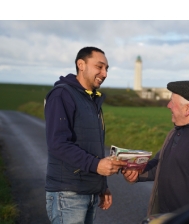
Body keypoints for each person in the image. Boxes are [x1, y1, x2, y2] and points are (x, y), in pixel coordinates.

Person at [122, 80, 189, 215]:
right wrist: (137, 173)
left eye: (172, 102)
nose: (168, 106)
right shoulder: (175, 132)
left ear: (187, 109)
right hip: (162, 217)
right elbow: (161, 165)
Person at [44, 46, 127, 224]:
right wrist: (97, 165)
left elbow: (92, 147)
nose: (104, 73)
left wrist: (101, 185)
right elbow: (58, 143)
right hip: (68, 193)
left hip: (89, 191)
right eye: (99, 66)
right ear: (81, 64)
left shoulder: (91, 99)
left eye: (106, 68)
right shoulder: (62, 95)